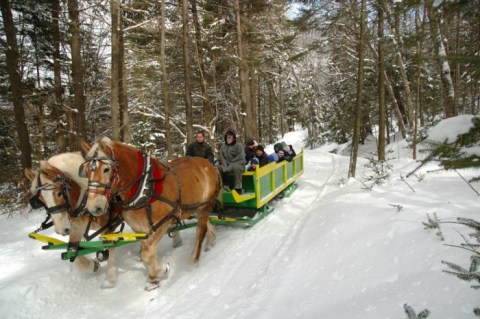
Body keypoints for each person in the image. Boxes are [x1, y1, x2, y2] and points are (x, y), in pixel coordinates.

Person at [219, 128, 246, 194]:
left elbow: (241, 158)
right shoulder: (223, 146)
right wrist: (225, 166)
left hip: (238, 165)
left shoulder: (238, 146)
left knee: (236, 168)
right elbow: (222, 158)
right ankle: (224, 185)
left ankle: (238, 188)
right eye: (227, 137)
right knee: (218, 168)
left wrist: (230, 165)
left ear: (233, 138)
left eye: (230, 137)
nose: (229, 139)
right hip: (227, 165)